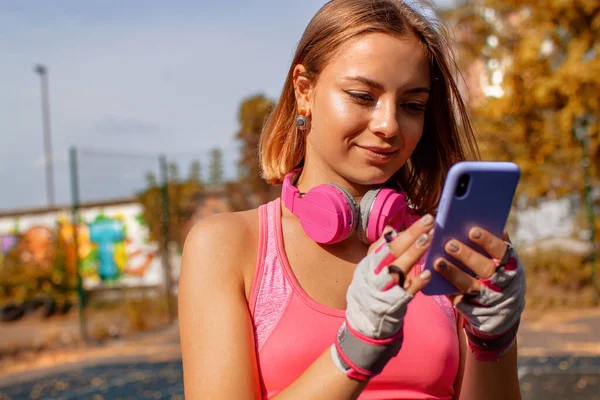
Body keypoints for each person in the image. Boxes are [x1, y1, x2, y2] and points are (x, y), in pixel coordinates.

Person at [178, 0, 526, 399]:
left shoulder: (444, 244)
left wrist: (494, 341)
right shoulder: (226, 245)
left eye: (413, 105)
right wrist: (354, 351)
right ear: (304, 91)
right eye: (363, 96)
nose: (389, 125)